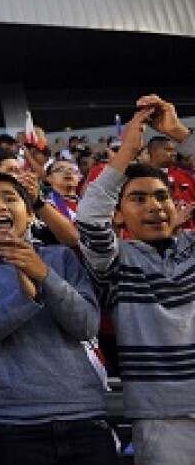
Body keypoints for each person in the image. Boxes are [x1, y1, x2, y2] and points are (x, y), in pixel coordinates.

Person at [0, 170, 114, 465]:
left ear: (30, 214)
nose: (0, 206)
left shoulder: (61, 257)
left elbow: (86, 325)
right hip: (11, 425)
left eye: (10, 198)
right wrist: (25, 300)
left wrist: (44, 275)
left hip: (83, 415)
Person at [77, 97, 195, 465]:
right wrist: (127, 150)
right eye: (138, 199)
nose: (154, 207)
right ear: (118, 214)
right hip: (162, 418)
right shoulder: (114, 262)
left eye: (162, 197)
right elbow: (89, 217)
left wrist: (180, 134)